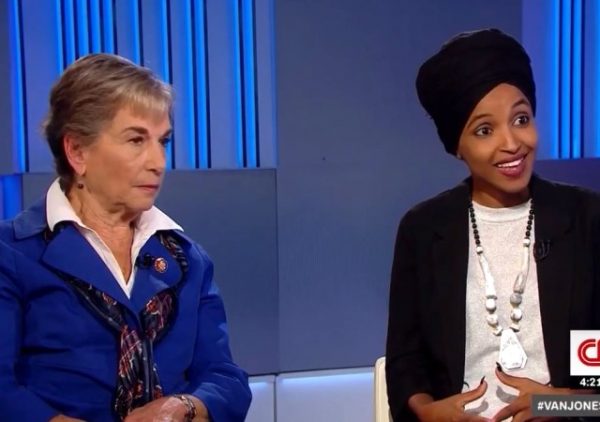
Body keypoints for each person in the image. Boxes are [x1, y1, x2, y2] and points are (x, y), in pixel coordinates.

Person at [0, 54, 252, 421]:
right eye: (136, 140)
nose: (158, 162)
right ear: (77, 151)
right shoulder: (12, 253)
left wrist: (185, 406)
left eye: (163, 141)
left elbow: (225, 379)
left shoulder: (186, 259)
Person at [385, 28, 600, 421]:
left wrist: (556, 404)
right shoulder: (424, 229)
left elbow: (596, 398)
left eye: (521, 119)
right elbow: (405, 365)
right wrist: (428, 413)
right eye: (485, 130)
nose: (512, 143)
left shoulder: (586, 220)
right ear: (457, 146)